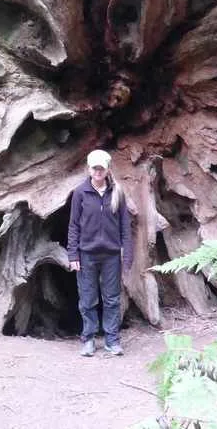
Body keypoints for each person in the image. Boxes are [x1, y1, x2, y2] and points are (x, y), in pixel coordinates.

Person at [67, 148, 131, 357]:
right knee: (88, 299)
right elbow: (73, 226)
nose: (98, 172)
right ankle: (89, 339)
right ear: (89, 169)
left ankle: (112, 340)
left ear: (107, 169)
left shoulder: (117, 193)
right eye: (94, 168)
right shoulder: (80, 193)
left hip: (111, 255)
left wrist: (127, 255)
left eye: (101, 168)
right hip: (87, 255)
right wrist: (73, 255)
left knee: (112, 298)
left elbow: (125, 226)